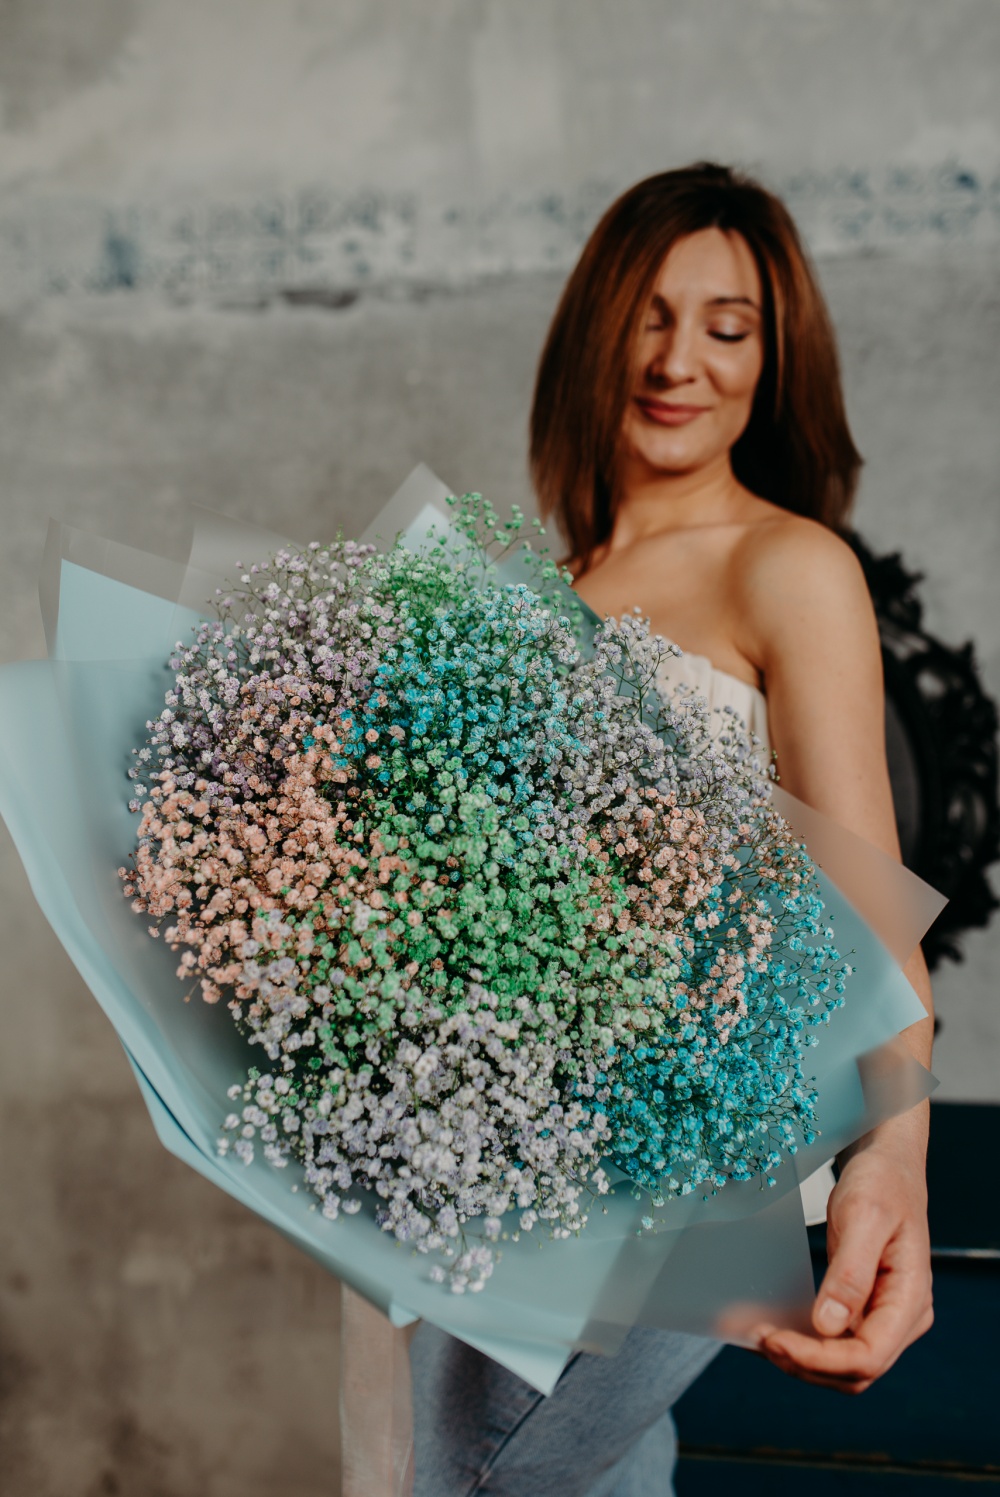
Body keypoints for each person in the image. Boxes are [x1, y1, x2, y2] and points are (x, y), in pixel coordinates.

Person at [409, 161, 935, 1495]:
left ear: (773, 360)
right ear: (593, 331)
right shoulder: (533, 588)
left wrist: (895, 1166)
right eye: (647, 315)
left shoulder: (787, 566)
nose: (677, 360)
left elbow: (872, 928)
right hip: (467, 1170)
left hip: (677, 1167)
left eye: (726, 325)